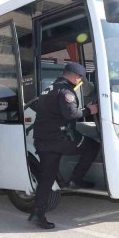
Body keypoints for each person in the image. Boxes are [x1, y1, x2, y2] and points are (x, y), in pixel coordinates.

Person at [31, 63, 99, 229]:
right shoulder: (66, 91)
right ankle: (75, 179)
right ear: (76, 77)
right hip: (60, 140)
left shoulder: (48, 89)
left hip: (43, 140)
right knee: (92, 146)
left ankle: (38, 214)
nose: (79, 81)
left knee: (46, 178)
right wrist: (90, 110)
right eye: (80, 78)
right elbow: (71, 114)